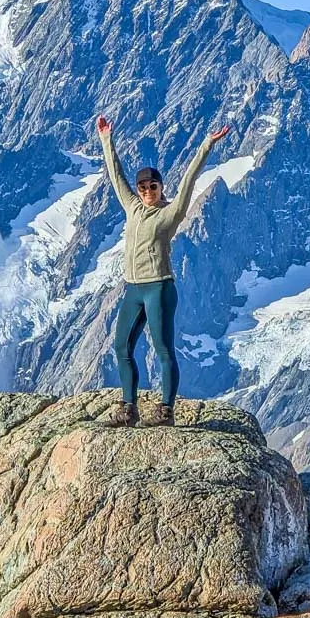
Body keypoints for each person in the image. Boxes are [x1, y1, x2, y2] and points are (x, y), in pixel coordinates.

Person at [96, 115, 231, 428]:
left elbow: (188, 182)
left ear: (160, 187)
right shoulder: (132, 206)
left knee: (163, 350)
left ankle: (165, 411)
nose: (146, 191)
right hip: (133, 289)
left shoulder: (171, 212)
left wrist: (206, 146)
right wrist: (106, 139)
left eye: (152, 186)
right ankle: (128, 408)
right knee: (122, 347)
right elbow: (116, 176)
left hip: (159, 288)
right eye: (143, 186)